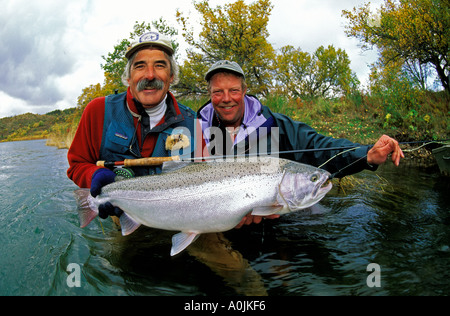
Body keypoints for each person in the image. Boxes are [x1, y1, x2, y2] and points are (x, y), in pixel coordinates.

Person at [197, 60, 404, 227]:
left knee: (317, 217)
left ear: (244, 91)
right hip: (215, 217)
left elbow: (320, 148)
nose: (226, 99)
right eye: (217, 92)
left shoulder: (276, 125)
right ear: (210, 94)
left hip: (274, 221)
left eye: (233, 90)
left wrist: (365, 154)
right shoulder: (196, 130)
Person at [67, 32, 199, 219]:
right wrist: (94, 175)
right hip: (120, 213)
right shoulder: (98, 111)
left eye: (160, 65)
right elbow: (77, 164)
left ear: (171, 76)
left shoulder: (193, 122)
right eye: (140, 66)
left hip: (179, 215)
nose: (150, 75)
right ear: (128, 77)